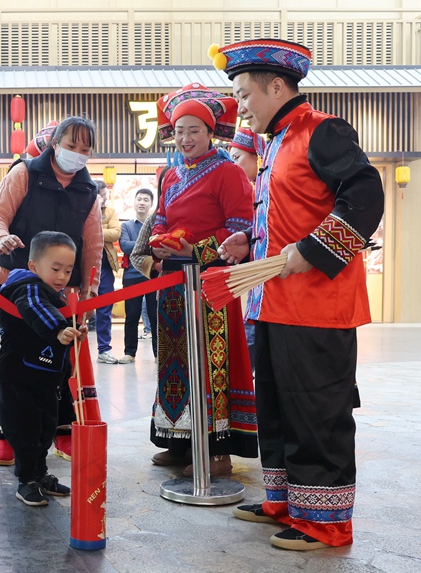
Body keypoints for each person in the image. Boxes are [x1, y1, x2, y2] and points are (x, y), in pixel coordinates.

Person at [213, 39, 384, 550]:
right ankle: (285, 502)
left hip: (318, 308)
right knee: (278, 408)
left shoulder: (321, 131)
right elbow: (289, 215)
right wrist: (251, 241)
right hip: (274, 304)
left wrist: (311, 250)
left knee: (316, 412)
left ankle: (326, 522)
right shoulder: (273, 143)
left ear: (276, 86)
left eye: (245, 95)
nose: (240, 106)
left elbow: (367, 193)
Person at [147, 84, 258, 477]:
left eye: (194, 130)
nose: (186, 138)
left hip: (212, 282)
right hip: (173, 283)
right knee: (175, 359)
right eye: (179, 131)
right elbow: (161, 219)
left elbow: (241, 230)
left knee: (214, 366)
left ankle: (218, 450)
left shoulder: (228, 172)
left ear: (210, 132)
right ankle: (179, 443)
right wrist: (160, 243)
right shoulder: (170, 174)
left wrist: (193, 251)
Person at [0, 115, 103, 464]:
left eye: (85, 149)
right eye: (71, 146)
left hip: (61, 291)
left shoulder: (88, 191)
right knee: (11, 360)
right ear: (55, 144)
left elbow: (93, 246)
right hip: (14, 282)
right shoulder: (24, 173)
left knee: (61, 360)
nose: (77, 154)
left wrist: (90, 291)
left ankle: (60, 429)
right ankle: (8, 433)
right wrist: (0, 238)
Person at [0, 231, 85, 506]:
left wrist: (75, 328)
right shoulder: (28, 286)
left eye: (68, 270)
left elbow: (61, 315)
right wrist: (59, 330)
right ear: (33, 266)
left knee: (45, 429)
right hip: (17, 377)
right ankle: (26, 481)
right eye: (55, 268)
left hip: (44, 378)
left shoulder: (55, 293)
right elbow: (35, 309)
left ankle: (40, 474)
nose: (62, 276)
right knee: (25, 431)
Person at [227, 127, 264, 371]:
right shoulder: (252, 187)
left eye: (238, 158)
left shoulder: (261, 188)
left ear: (257, 157)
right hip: (255, 284)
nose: (234, 165)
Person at [118, 188, 157, 362]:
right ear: (134, 202)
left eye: (146, 200)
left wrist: (142, 246)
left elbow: (160, 245)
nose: (142, 202)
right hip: (131, 276)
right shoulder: (125, 226)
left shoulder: (156, 225)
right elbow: (124, 246)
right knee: (131, 316)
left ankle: (159, 354)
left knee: (155, 315)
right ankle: (129, 353)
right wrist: (149, 244)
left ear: (151, 204)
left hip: (152, 274)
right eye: (139, 199)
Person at [94, 180, 121, 364]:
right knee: (79, 308)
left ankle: (104, 349)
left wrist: (94, 231)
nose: (104, 199)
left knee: (104, 309)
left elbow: (116, 233)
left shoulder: (110, 212)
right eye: (102, 195)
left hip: (105, 266)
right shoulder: (82, 210)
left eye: (105, 195)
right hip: (83, 266)